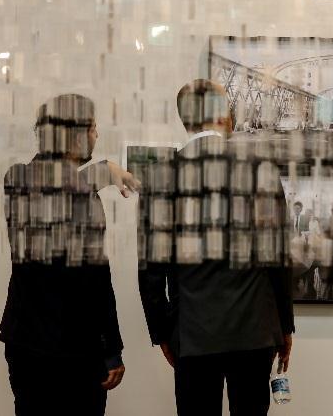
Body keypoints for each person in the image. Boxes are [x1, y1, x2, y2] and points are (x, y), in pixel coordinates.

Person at [136, 80, 294, 416]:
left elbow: (151, 269)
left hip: (193, 334)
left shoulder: (161, 178)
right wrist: (284, 325)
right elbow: (279, 256)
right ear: (221, 115)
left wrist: (163, 332)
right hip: (255, 330)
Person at [1, 94, 139, 416]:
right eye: (92, 128)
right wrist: (112, 349)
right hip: (75, 349)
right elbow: (95, 281)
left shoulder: (17, 179)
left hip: (28, 343)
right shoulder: (72, 192)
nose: (96, 134)